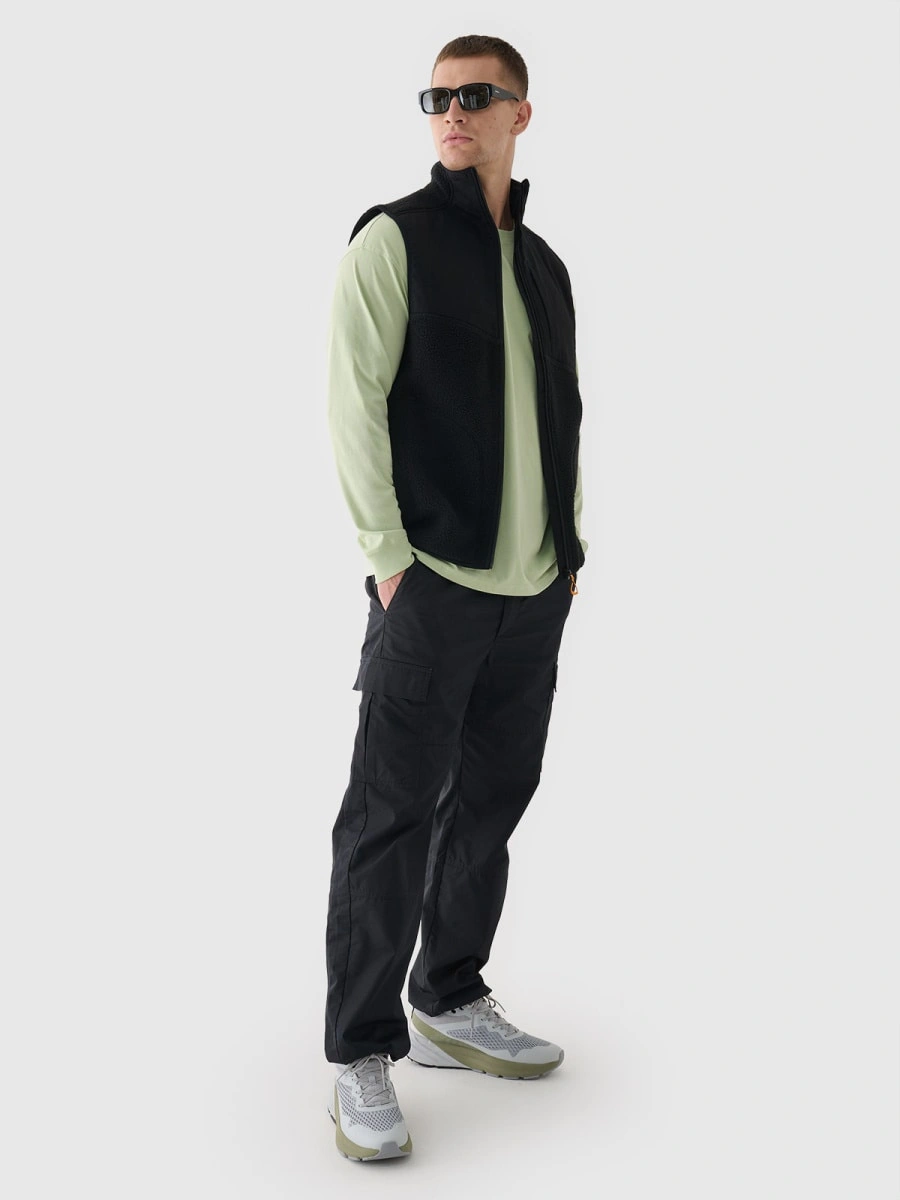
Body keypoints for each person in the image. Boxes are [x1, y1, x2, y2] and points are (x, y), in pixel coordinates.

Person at [323, 33, 588, 1162]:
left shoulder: (544, 266)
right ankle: (359, 1053)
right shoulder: (392, 239)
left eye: (477, 95)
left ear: (520, 114)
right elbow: (353, 402)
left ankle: (448, 995)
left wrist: (567, 550)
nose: (452, 112)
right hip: (430, 585)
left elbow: (561, 416)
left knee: (490, 803)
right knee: (389, 815)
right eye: (437, 97)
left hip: (534, 589)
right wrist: (390, 559)